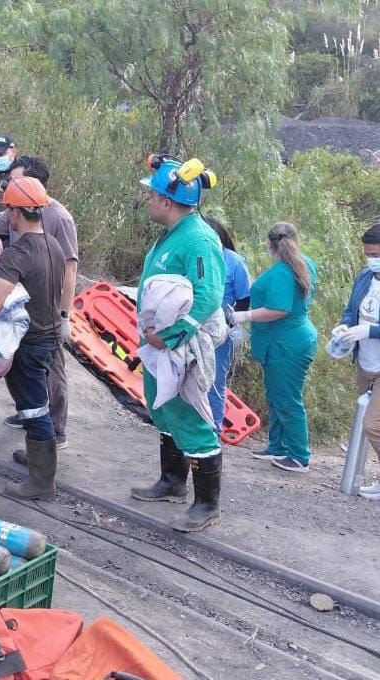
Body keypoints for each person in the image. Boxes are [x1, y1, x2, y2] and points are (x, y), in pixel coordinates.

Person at [130, 155, 226, 533]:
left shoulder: (199, 239)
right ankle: (172, 482)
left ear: (167, 202)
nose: (149, 201)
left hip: (180, 346)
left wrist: (170, 336)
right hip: (158, 345)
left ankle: (207, 504)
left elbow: (208, 295)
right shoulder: (172, 233)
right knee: (165, 410)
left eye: (152, 196)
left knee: (190, 418)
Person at [0, 176, 65, 500]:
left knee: (33, 407)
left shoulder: (17, 253)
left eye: (8, 208)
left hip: (29, 340)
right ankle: (38, 455)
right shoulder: (52, 244)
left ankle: (42, 483)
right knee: (36, 401)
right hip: (50, 333)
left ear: (15, 212)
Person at [0, 156, 79, 454]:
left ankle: (54, 430)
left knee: (51, 371)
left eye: (15, 180)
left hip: (45, 311)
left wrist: (65, 314)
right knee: (23, 373)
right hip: (21, 309)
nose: (10, 184)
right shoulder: (24, 218)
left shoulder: (58, 219)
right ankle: (31, 417)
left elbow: (70, 269)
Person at [232, 222, 317, 473]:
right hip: (289, 339)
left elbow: (279, 309)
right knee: (276, 394)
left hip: (287, 343)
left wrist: (244, 317)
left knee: (287, 398)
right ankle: (278, 446)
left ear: (270, 244)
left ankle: (299, 455)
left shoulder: (282, 272)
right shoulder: (303, 264)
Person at [334, 222, 380, 499]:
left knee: (373, 425)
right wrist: (345, 327)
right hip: (365, 362)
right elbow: (351, 309)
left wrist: (371, 331)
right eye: (369, 255)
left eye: (376, 255)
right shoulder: (365, 277)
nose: (371, 260)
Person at [205, 216, 251, 435]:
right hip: (197, 327)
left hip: (223, 331)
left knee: (215, 380)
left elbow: (244, 298)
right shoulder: (198, 258)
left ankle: (213, 428)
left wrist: (229, 323)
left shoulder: (234, 262)